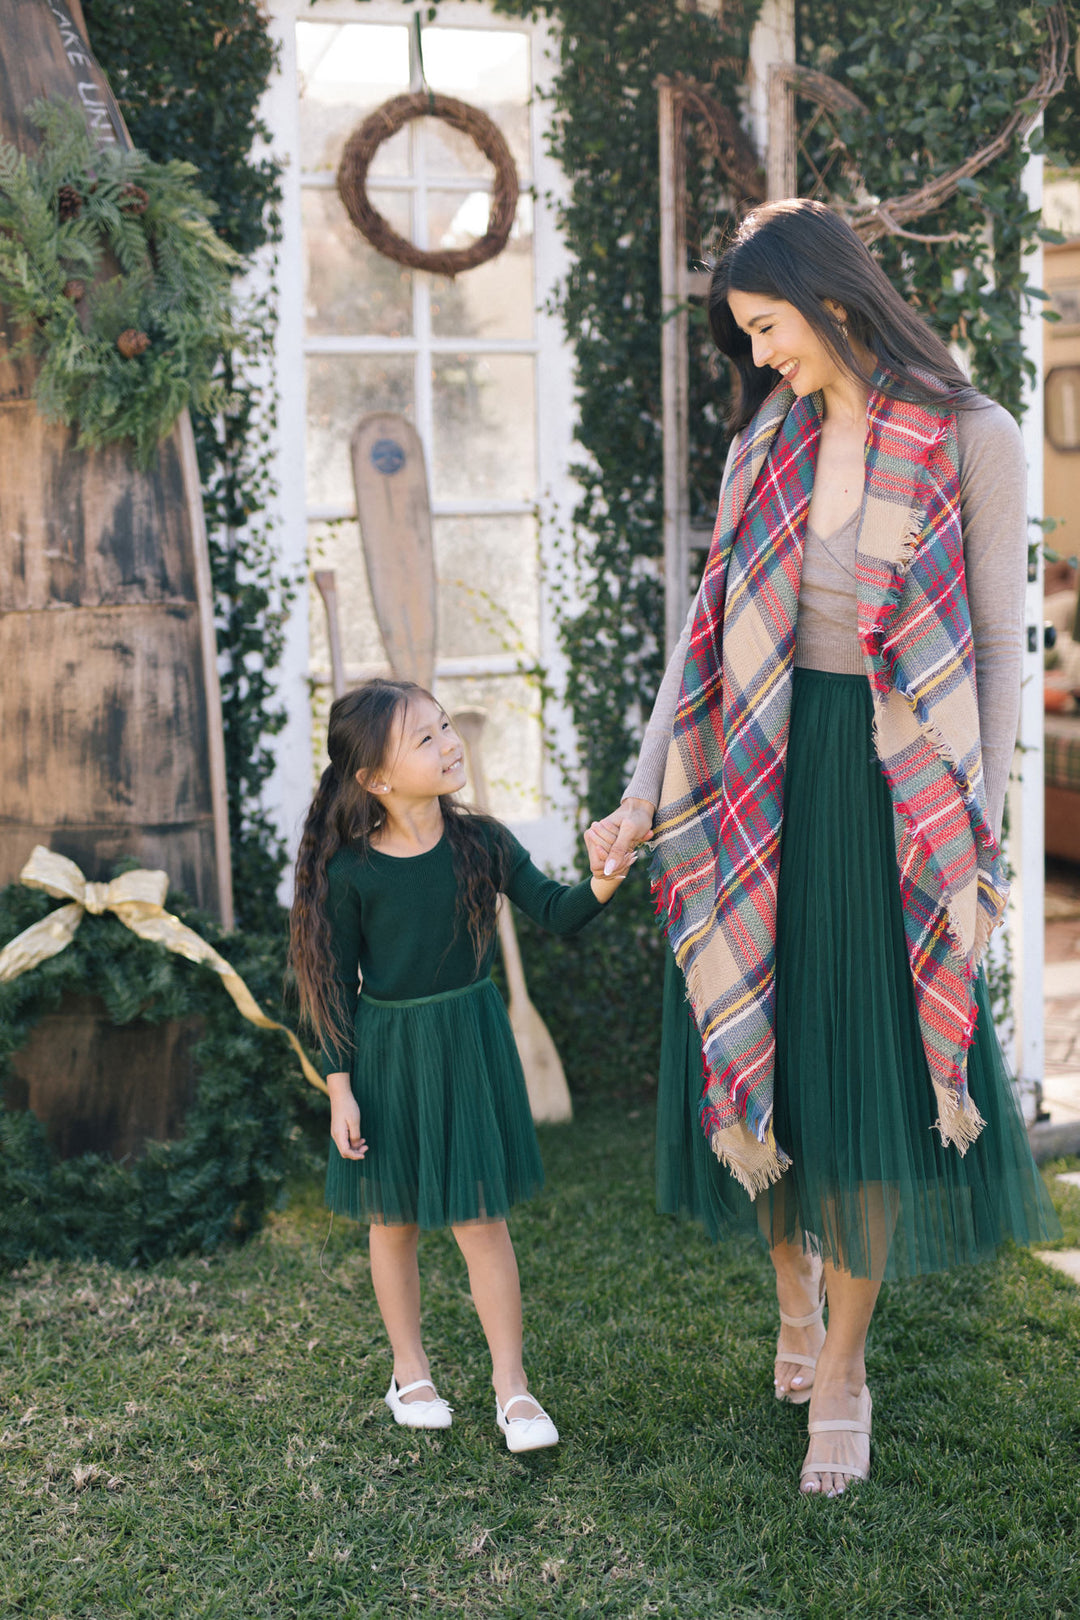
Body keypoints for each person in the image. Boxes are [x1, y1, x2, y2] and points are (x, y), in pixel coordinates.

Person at [590, 199, 1059, 1496]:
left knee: (869, 1076)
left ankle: (844, 1367)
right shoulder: (767, 442)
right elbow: (703, 637)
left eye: (767, 327)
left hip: (890, 795)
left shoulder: (974, 435)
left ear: (833, 298)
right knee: (769, 1061)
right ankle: (793, 1297)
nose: (761, 356)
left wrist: (977, 829)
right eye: (746, 337)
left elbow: (1000, 650)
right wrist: (638, 796)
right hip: (758, 780)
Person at [289, 678, 623, 1454]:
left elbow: (558, 910)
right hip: (389, 1052)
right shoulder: (352, 872)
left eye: (446, 726)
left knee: (480, 1217)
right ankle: (409, 1372)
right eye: (426, 738)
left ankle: (513, 1387)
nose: (450, 744)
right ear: (375, 778)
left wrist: (606, 876)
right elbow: (332, 984)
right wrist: (340, 1089)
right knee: (394, 1220)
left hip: (470, 1043)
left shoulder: (483, 843)